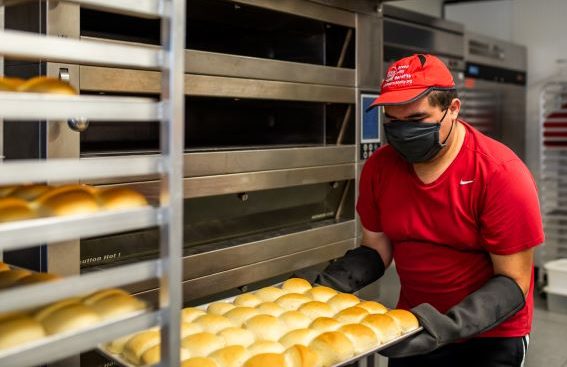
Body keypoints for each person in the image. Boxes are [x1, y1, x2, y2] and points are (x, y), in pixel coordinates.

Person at [304, 54, 544, 367]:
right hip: (413, 326)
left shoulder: (500, 173)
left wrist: (445, 326)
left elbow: (514, 282)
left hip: (489, 336)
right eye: (394, 122)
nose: (404, 132)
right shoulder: (380, 168)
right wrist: (329, 284)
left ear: (453, 109)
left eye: (417, 121)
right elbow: (376, 249)